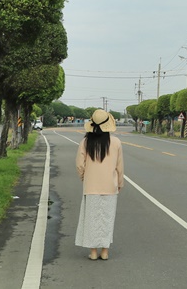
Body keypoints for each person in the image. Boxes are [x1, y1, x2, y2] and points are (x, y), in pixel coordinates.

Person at [75, 109, 124, 260]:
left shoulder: (85, 142)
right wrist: (119, 183)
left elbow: (79, 165)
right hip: (110, 186)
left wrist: (85, 177)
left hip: (91, 186)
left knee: (92, 219)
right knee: (107, 219)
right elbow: (119, 166)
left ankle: (93, 252)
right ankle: (105, 252)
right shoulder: (116, 142)